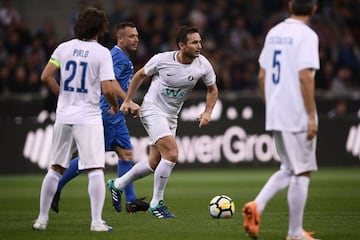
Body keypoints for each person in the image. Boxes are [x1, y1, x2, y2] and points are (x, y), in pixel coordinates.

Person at [107, 25, 218, 218]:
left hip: (172, 116)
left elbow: (212, 89)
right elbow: (139, 76)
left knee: (153, 162)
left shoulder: (203, 65)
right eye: (194, 42)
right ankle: (156, 203)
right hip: (152, 109)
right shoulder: (162, 60)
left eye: (200, 41)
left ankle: (117, 185)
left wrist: (208, 112)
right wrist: (127, 100)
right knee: (172, 154)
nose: (199, 46)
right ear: (182, 45)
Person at [32, 7, 118, 232]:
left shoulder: (64, 48)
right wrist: (114, 104)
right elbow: (108, 88)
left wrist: (62, 94)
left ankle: (41, 220)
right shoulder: (101, 53)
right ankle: (97, 222)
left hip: (64, 115)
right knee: (96, 169)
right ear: (100, 28)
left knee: (55, 168)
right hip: (88, 117)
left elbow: (45, 76)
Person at [50, 22, 149, 215]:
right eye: (131, 36)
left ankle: (130, 200)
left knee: (126, 154)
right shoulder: (117, 57)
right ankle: (56, 186)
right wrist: (127, 100)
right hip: (107, 114)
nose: (136, 39)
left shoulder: (121, 57)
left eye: (137, 36)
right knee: (89, 159)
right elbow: (109, 82)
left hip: (116, 115)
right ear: (120, 39)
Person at [241, 1, 320, 240]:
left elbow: (262, 75)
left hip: (276, 110)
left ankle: (257, 206)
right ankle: (295, 233)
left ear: (290, 5)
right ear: (314, 8)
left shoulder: (274, 32)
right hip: (296, 112)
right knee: (302, 171)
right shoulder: (307, 35)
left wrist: (272, 107)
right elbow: (305, 76)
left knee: (288, 168)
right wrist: (310, 115)